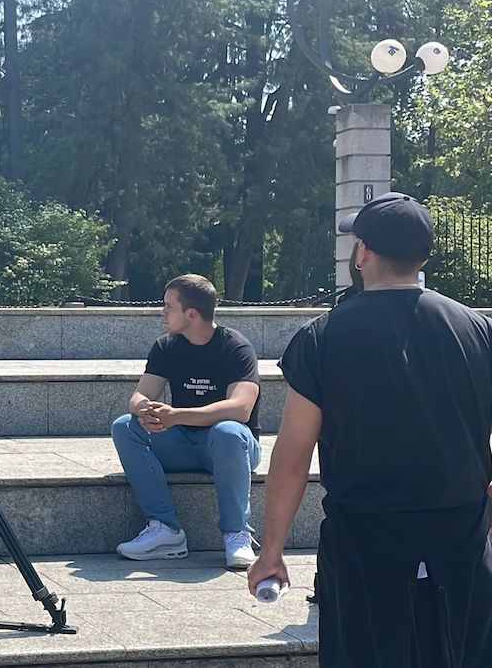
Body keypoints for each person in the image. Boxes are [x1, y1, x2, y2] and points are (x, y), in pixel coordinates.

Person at [249, 192, 492, 667]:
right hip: (460, 540)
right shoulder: (478, 331)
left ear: (362, 252)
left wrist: (272, 550)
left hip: (366, 544)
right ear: (423, 255)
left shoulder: (323, 336)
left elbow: (293, 455)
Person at [110, 273, 262, 569]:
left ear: (191, 314)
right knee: (125, 427)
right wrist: (146, 410)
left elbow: (241, 409)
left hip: (231, 448)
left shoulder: (235, 347)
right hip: (183, 441)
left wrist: (176, 415)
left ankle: (237, 534)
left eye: (168, 306)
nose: (162, 312)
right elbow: (141, 394)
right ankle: (165, 530)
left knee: (229, 431)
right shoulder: (166, 346)